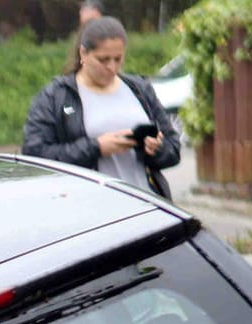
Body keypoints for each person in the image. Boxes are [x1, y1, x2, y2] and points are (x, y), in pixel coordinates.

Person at [24, 16, 181, 199]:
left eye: (118, 59)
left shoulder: (140, 89)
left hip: (146, 206)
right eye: (103, 60)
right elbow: (34, 156)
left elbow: (173, 150)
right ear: (83, 54)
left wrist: (156, 148)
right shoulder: (56, 96)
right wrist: (96, 147)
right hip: (91, 211)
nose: (112, 67)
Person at [67, 0, 105, 74]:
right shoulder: (80, 36)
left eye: (86, 9)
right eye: (83, 9)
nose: (81, 12)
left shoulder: (107, 35)